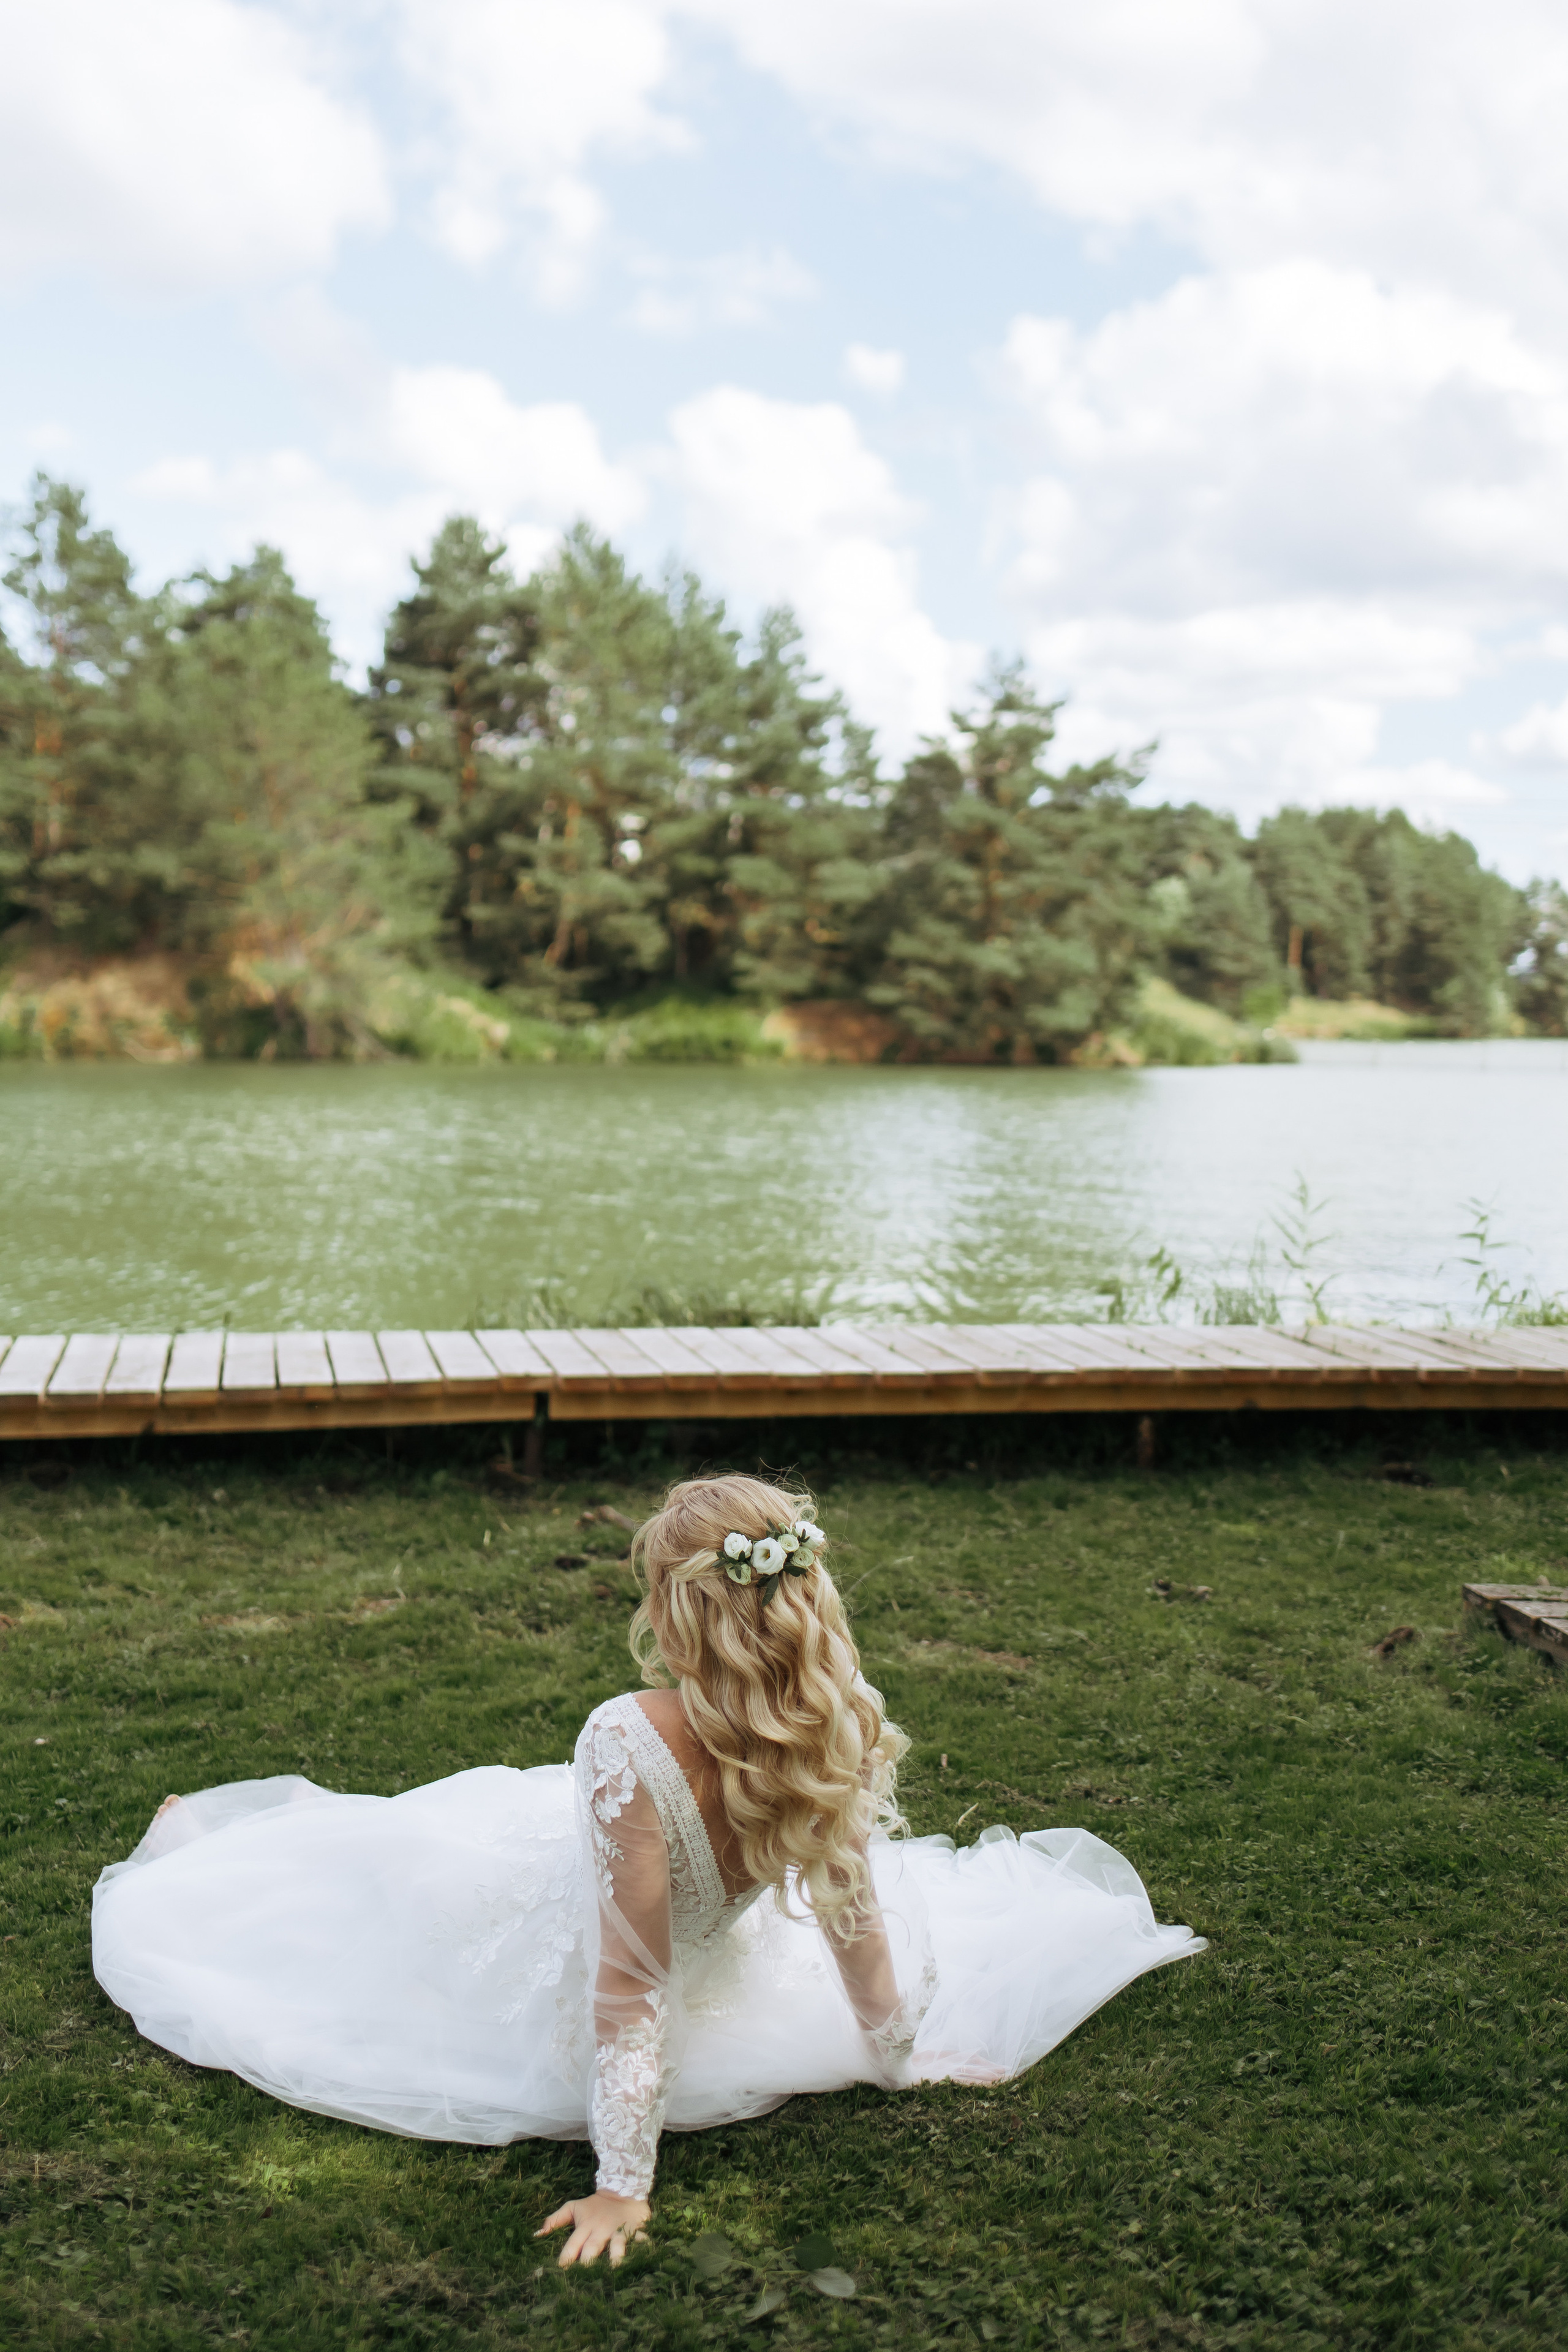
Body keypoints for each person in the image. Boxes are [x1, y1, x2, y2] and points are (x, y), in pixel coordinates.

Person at [92, 1474, 1205, 2267]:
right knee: (403, 1853)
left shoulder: (627, 1736)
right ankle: (217, 1837)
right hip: (656, 1927)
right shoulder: (834, 1726)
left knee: (389, 1891)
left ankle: (207, 1843)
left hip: (589, 1952)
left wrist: (623, 2186)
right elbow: (850, 1918)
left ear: (677, 1616)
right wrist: (894, 2051)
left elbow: (629, 1990)